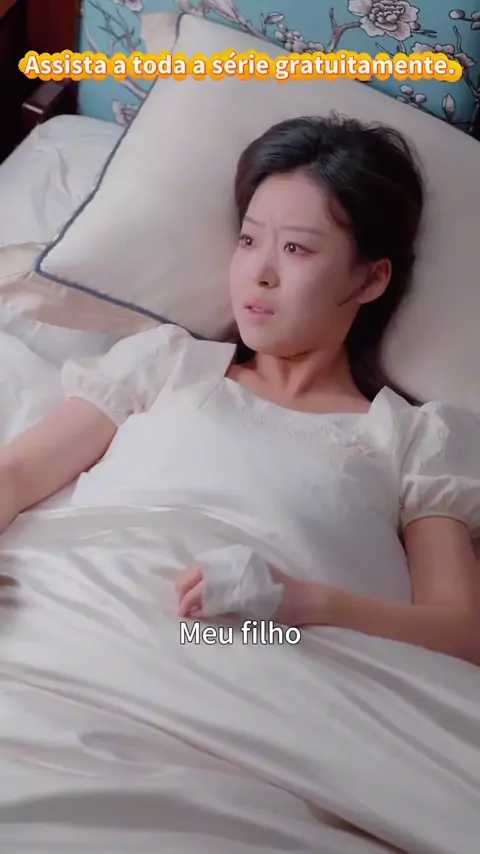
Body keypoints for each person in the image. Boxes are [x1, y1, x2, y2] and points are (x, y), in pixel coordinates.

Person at [0, 114, 479, 664]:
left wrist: (305, 602)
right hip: (73, 619)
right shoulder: (167, 364)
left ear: (370, 278)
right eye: (249, 240)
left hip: (268, 663)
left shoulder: (414, 439)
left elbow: (463, 633)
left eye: (297, 249)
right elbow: (17, 472)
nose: (260, 272)